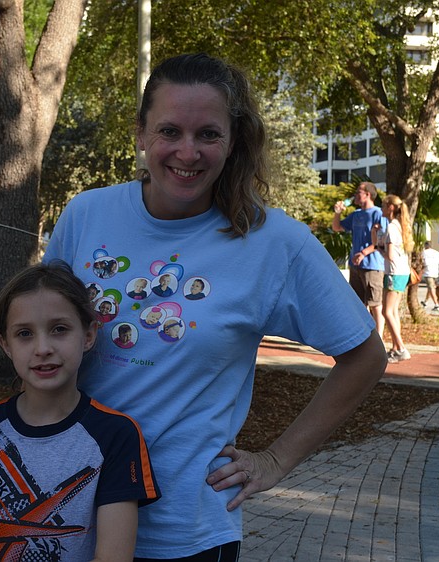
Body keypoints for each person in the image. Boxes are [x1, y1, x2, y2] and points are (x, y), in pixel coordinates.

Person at [43, 53, 387, 560]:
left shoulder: (274, 243)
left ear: (232, 141)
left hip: (185, 529)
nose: (188, 152)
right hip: (66, 514)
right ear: (140, 134)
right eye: (169, 131)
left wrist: (275, 459)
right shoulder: (87, 214)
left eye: (208, 134)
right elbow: (43, 335)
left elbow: (366, 356)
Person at [0, 262, 160, 562]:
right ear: (5, 344)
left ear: (89, 334)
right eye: (25, 333)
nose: (43, 348)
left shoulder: (116, 435)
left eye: (59, 329)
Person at [332, 181, 388, 335]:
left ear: (368, 194)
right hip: (355, 266)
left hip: (373, 265)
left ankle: (379, 340)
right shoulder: (356, 214)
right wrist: (337, 212)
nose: (355, 195)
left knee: (375, 304)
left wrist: (364, 253)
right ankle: (363, 336)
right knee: (359, 304)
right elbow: (337, 227)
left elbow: (382, 239)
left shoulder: (378, 213)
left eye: (358, 192)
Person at [372, 194, 414, 363]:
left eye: (383, 205)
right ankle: (396, 347)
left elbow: (389, 255)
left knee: (386, 311)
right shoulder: (399, 226)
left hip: (394, 272)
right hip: (402, 272)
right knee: (393, 311)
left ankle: (401, 348)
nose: (381, 208)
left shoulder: (391, 228)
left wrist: (379, 249)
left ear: (390, 207)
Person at [421, 241, 439, 311]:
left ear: (425, 246)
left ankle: (436, 305)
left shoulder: (424, 253)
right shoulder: (436, 252)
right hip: (435, 273)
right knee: (431, 287)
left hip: (428, 273)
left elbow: (422, 263)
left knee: (431, 288)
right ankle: (425, 302)